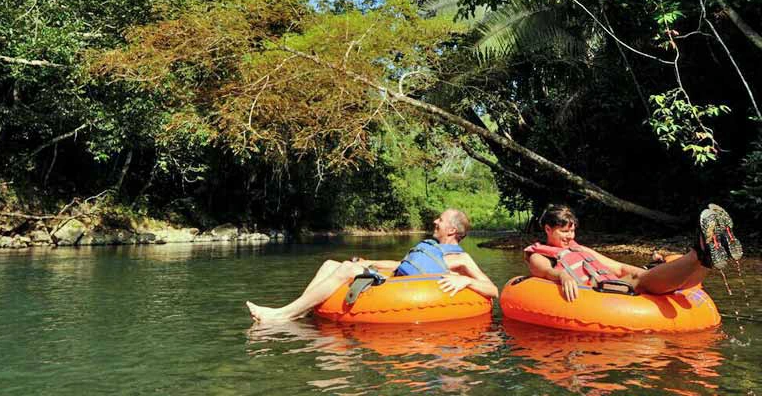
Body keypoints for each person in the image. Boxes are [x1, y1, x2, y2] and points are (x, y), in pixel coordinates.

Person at [246, 208, 500, 323]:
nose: (435, 221)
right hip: (395, 278)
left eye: (440, 220)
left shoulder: (461, 259)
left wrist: (465, 280)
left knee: (346, 269)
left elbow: (492, 290)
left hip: (398, 291)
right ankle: (300, 311)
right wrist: (371, 262)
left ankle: (282, 314)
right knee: (329, 263)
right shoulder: (430, 247)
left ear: (452, 229)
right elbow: (404, 264)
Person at [525, 203, 743, 301]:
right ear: (547, 229)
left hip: (612, 283)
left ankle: (708, 258)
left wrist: (644, 271)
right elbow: (542, 270)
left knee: (642, 277)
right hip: (600, 294)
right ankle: (699, 252)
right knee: (641, 282)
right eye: (564, 232)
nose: (570, 237)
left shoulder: (578, 248)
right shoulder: (539, 254)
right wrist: (561, 274)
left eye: (572, 231)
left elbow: (617, 267)